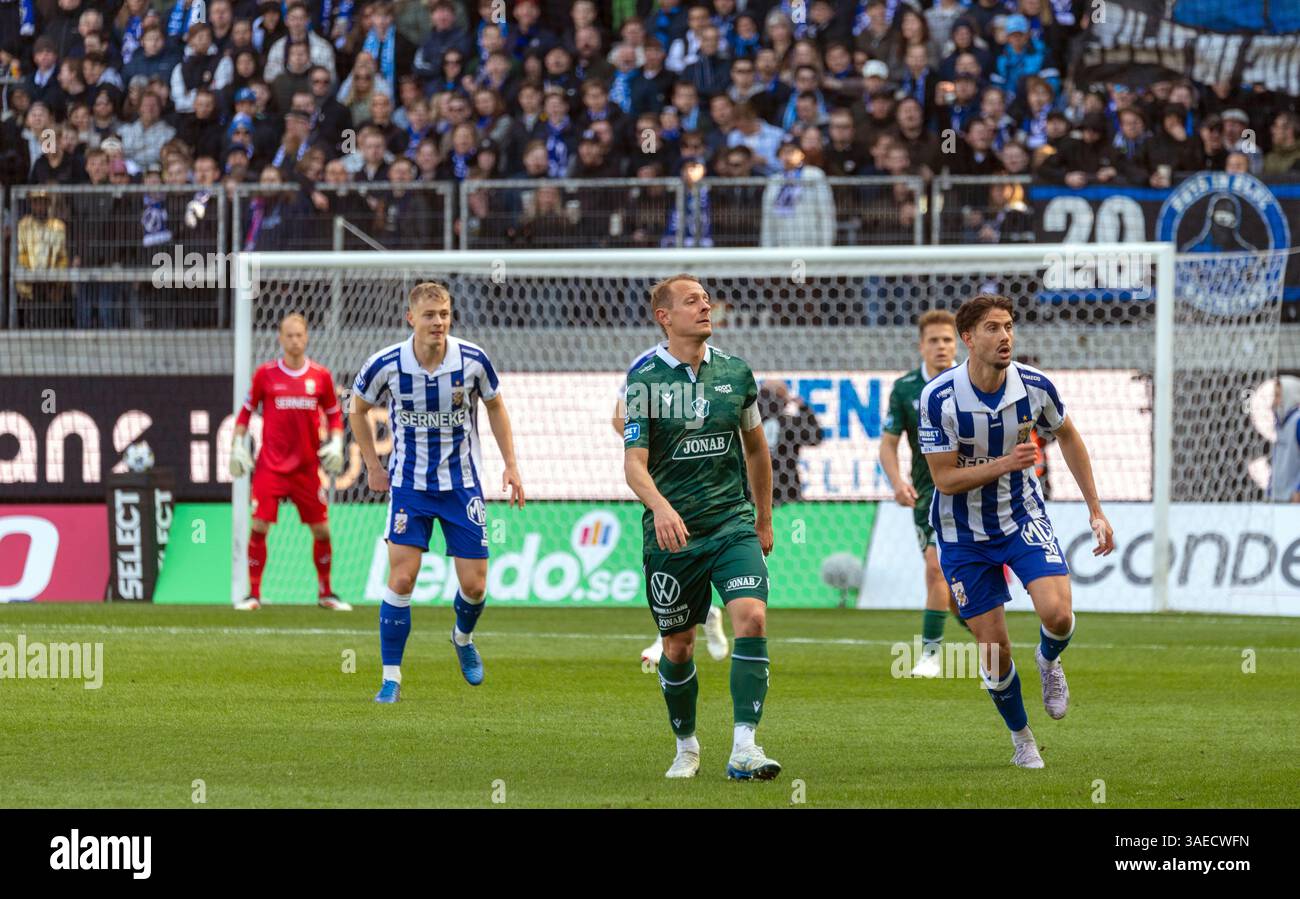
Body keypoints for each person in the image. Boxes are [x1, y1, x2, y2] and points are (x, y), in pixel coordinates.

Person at [919, 294, 1115, 769]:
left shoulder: (1035, 386)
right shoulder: (939, 398)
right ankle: (1023, 739)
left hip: (1022, 517)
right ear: (969, 339)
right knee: (994, 647)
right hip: (961, 532)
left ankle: (1049, 660)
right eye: (992, 328)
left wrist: (1096, 510)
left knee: (1058, 615)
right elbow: (944, 479)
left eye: (1008, 326)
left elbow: (1068, 435)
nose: (1004, 336)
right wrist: (1007, 461)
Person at [623, 273, 779, 781]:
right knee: (678, 646)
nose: (705, 306)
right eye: (692, 301)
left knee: (751, 618)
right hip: (671, 535)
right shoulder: (644, 379)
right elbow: (633, 463)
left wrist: (762, 517)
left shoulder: (736, 373)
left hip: (731, 523)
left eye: (707, 299)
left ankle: (744, 748)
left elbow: (756, 448)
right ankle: (687, 745)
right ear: (664, 317)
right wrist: (661, 507)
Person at [349, 282, 525, 702]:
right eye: (429, 315)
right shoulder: (387, 363)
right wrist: (374, 466)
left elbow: (496, 405)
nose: (438, 322)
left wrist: (511, 464)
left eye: (444, 314)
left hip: (462, 485)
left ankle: (461, 639)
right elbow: (356, 408)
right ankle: (391, 678)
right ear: (411, 318)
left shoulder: (473, 360)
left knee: (476, 586)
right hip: (409, 486)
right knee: (403, 577)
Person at [608, 344, 731, 669]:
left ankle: (689, 624)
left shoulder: (717, 362)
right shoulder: (644, 365)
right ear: (666, 317)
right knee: (666, 553)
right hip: (663, 476)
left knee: (693, 551)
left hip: (705, 478)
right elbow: (619, 419)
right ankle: (696, 619)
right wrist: (652, 438)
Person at [229, 314, 348, 611]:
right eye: (289, 335)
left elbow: (334, 413)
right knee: (259, 526)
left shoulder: (320, 376)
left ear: (306, 337)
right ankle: (253, 594)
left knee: (322, 531)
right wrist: (236, 446)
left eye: (299, 335)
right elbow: (245, 412)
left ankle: (326, 593)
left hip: (307, 469)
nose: (295, 340)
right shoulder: (265, 375)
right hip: (271, 466)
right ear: (280, 339)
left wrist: (336, 441)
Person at [879, 310, 963, 678]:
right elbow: (887, 444)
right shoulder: (905, 388)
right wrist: (897, 482)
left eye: (947, 339)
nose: (941, 346)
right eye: (934, 340)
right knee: (936, 570)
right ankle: (931, 656)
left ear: (957, 343)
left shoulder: (972, 380)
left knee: (960, 587)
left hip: (974, 491)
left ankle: (989, 639)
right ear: (921, 346)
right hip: (929, 494)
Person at [1270, 375, 1300, 503]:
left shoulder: (1298, 421)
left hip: (1294, 497)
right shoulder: (1279, 422)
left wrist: (1298, 490)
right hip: (1279, 495)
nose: (1275, 401)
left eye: (1278, 395)